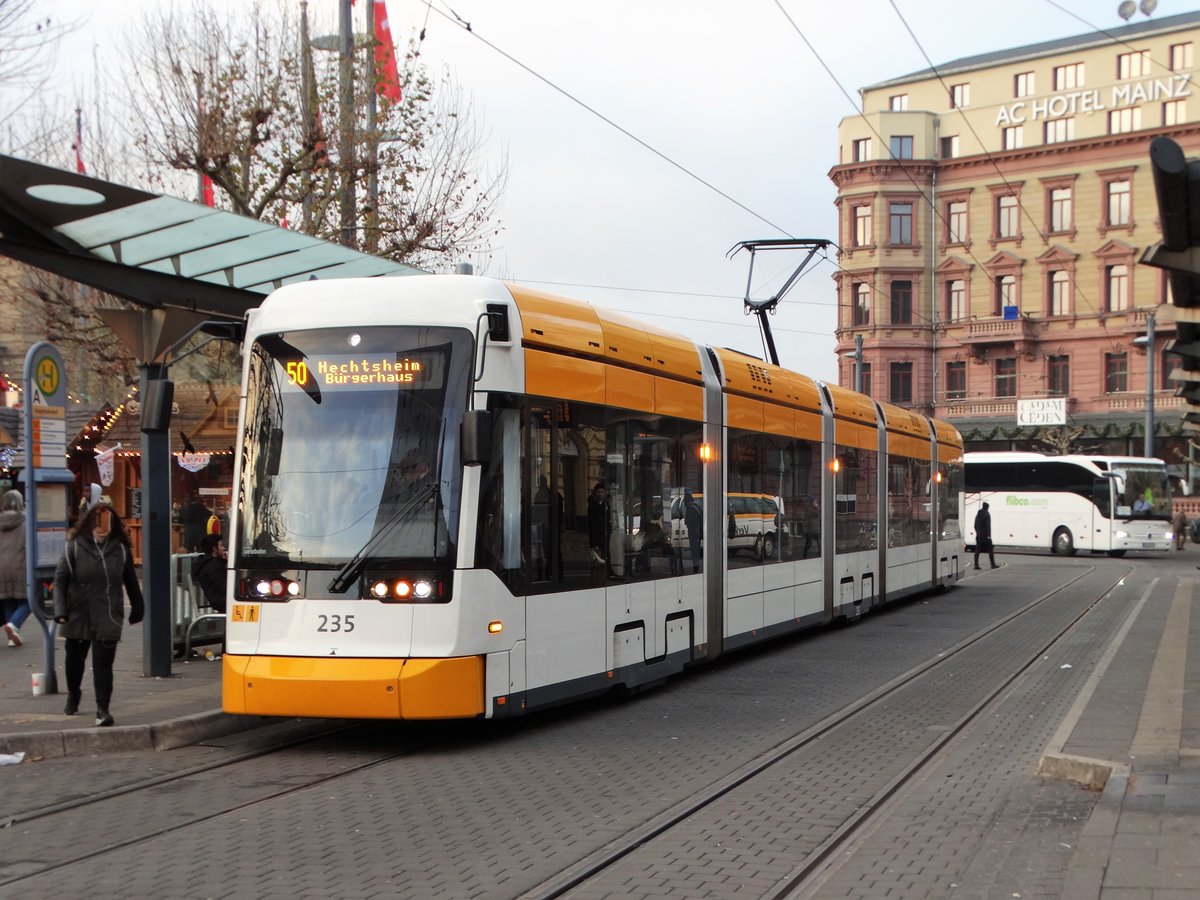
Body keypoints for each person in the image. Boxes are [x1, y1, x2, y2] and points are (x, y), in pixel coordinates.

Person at [53, 501, 145, 727]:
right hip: (78, 613)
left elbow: (131, 582)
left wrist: (138, 608)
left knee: (103, 664)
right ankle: (74, 693)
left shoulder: (120, 550)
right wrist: (61, 611)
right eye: (97, 522)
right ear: (89, 524)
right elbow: (60, 581)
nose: (101, 528)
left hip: (108, 613)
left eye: (106, 522)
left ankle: (102, 710)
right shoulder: (74, 547)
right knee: (75, 660)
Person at [0, 490, 31, 648]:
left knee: (8, 601)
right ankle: (14, 626)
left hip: (1, 567)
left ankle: (12, 636)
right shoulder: (26, 521)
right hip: (20, 566)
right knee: (29, 601)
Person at [192, 533, 228, 614]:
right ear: (214, 548)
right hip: (224, 603)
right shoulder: (215, 565)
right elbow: (225, 587)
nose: (224, 548)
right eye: (221, 545)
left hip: (218, 602)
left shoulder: (206, 563)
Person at [587, 482, 612, 582]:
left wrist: (608, 532)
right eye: (598, 492)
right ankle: (596, 580)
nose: (600, 494)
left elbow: (608, 520)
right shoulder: (592, 506)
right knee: (597, 560)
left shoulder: (606, 505)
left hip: (605, 536)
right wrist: (594, 541)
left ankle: (605, 576)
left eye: (602, 492)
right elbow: (592, 524)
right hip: (597, 537)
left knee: (605, 558)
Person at [974, 501, 997, 570]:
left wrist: (978, 532)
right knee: (990, 550)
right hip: (986, 536)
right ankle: (992, 564)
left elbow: (975, 525)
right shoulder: (987, 514)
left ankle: (976, 565)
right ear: (987, 508)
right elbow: (988, 526)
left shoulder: (978, 514)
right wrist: (989, 535)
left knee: (977, 550)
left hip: (979, 535)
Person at [684, 490, 703, 574]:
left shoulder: (690, 508)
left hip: (693, 533)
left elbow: (687, 521)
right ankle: (696, 565)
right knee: (696, 550)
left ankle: (695, 567)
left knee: (694, 550)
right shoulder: (696, 506)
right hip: (698, 532)